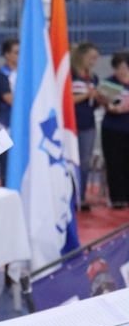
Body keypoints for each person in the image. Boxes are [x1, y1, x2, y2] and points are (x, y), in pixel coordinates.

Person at [70, 42, 104, 210]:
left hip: (87, 123)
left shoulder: (93, 77)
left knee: (85, 161)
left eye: (95, 59)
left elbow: (92, 103)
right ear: (81, 56)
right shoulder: (70, 75)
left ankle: (81, 196)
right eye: (90, 58)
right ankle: (69, 195)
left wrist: (99, 99)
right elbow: (67, 100)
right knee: (70, 161)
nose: (93, 62)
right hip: (71, 123)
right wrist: (87, 94)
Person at [101, 51, 129, 209]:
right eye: (118, 68)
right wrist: (110, 107)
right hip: (112, 127)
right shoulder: (109, 82)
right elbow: (105, 101)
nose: (121, 71)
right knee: (114, 162)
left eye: (124, 68)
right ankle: (117, 197)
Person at [0, 37, 19, 185]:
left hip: (22, 125)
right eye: (16, 52)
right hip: (6, 125)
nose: (20, 56)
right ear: (7, 54)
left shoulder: (25, 73)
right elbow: (9, 98)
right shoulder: (1, 74)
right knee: (8, 164)